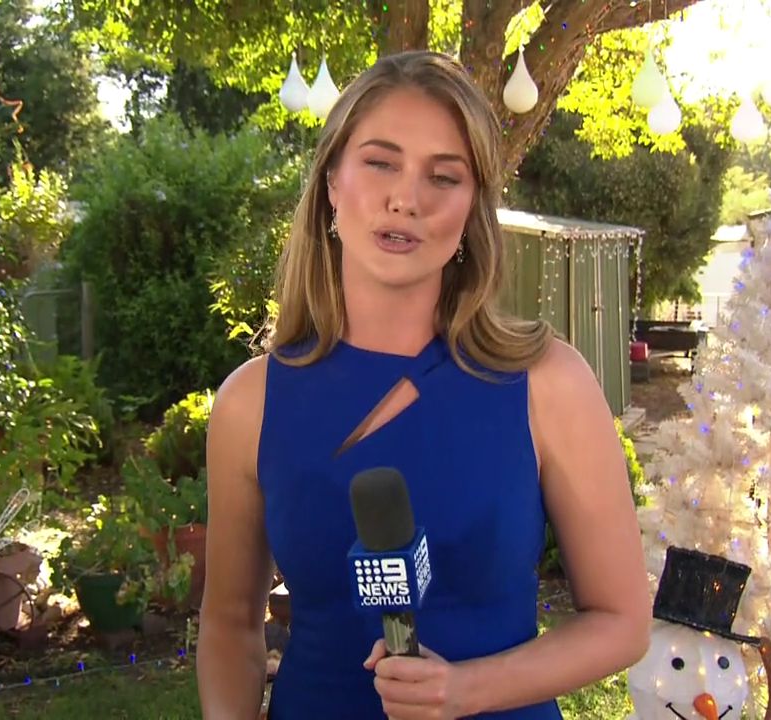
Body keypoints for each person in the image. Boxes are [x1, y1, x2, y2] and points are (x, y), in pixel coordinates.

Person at [196, 50, 651, 720]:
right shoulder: (251, 402)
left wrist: (466, 690)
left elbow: (622, 621)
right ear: (331, 182)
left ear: (471, 210)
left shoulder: (549, 384)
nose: (407, 199)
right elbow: (230, 622)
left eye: (444, 176)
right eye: (381, 163)